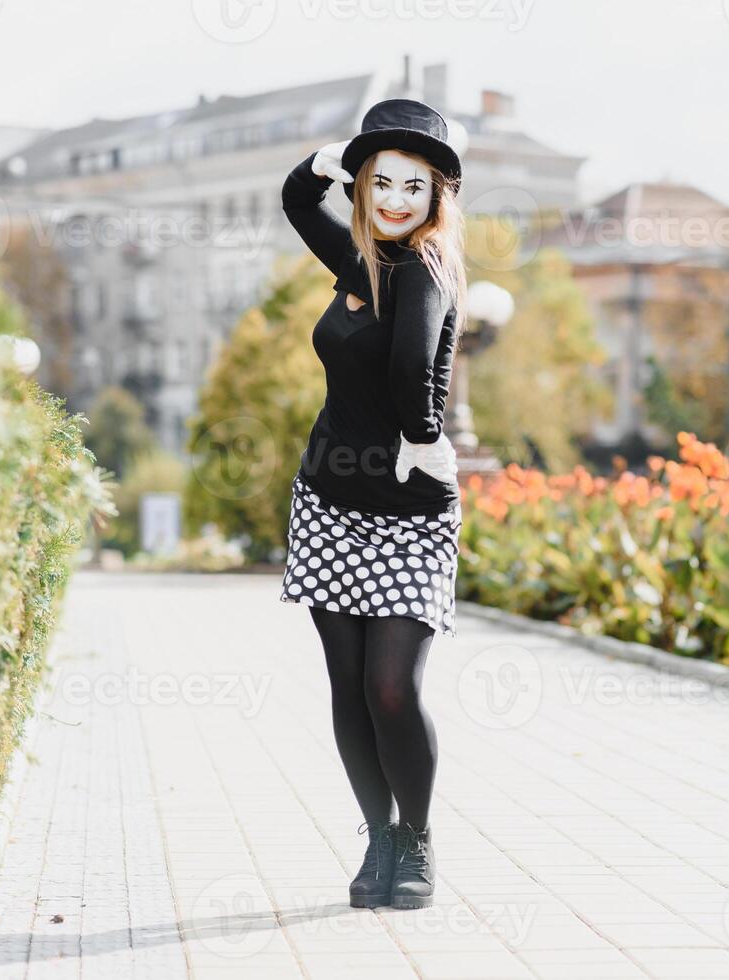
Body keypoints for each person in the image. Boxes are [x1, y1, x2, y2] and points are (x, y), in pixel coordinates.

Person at [277, 97, 468, 910]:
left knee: (393, 687)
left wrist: (424, 433)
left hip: (408, 511)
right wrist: (330, 158)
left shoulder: (426, 267)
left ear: (436, 201)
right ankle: (378, 839)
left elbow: (411, 369)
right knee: (349, 686)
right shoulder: (361, 261)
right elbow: (294, 199)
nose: (394, 199)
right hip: (327, 500)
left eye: (412, 187)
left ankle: (417, 839)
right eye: (380, 182)